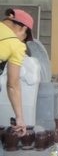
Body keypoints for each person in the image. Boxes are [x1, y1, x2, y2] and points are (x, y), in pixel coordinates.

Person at [0, 8, 34, 136]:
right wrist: (19, 118)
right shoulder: (17, 45)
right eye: (25, 37)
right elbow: (13, 85)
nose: (23, 41)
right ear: (23, 29)